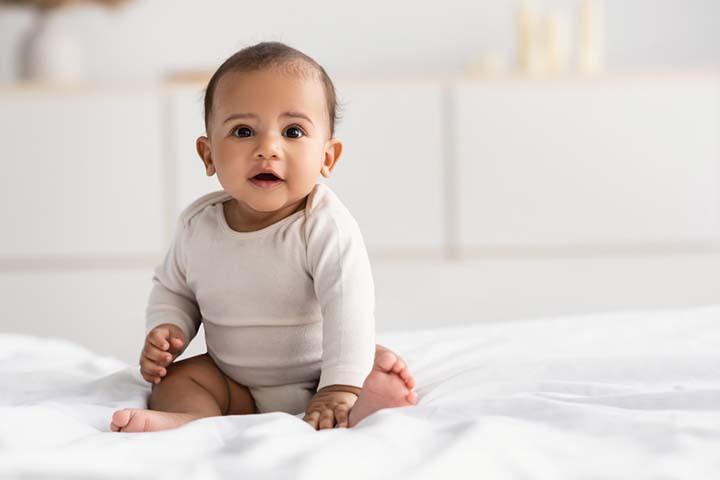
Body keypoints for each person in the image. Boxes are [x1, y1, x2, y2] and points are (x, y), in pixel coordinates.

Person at [110, 41, 416, 432]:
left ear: (327, 157)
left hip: (317, 373)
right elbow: (174, 289)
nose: (267, 148)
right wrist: (169, 328)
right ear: (208, 155)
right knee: (174, 381)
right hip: (235, 382)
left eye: (292, 131)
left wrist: (339, 385)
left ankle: (353, 394)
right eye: (243, 131)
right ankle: (193, 421)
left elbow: (349, 309)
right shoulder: (198, 226)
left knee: (374, 381)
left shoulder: (323, 226)